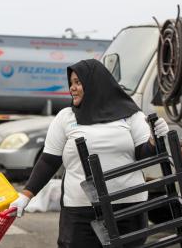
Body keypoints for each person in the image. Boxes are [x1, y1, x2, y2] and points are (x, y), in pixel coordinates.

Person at [9, 59, 169, 248]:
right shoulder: (66, 118)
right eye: (71, 83)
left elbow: (144, 154)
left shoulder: (131, 115)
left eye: (78, 82)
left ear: (95, 83)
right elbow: (48, 161)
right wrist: (26, 195)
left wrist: (154, 138)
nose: (72, 88)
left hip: (128, 206)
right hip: (81, 209)